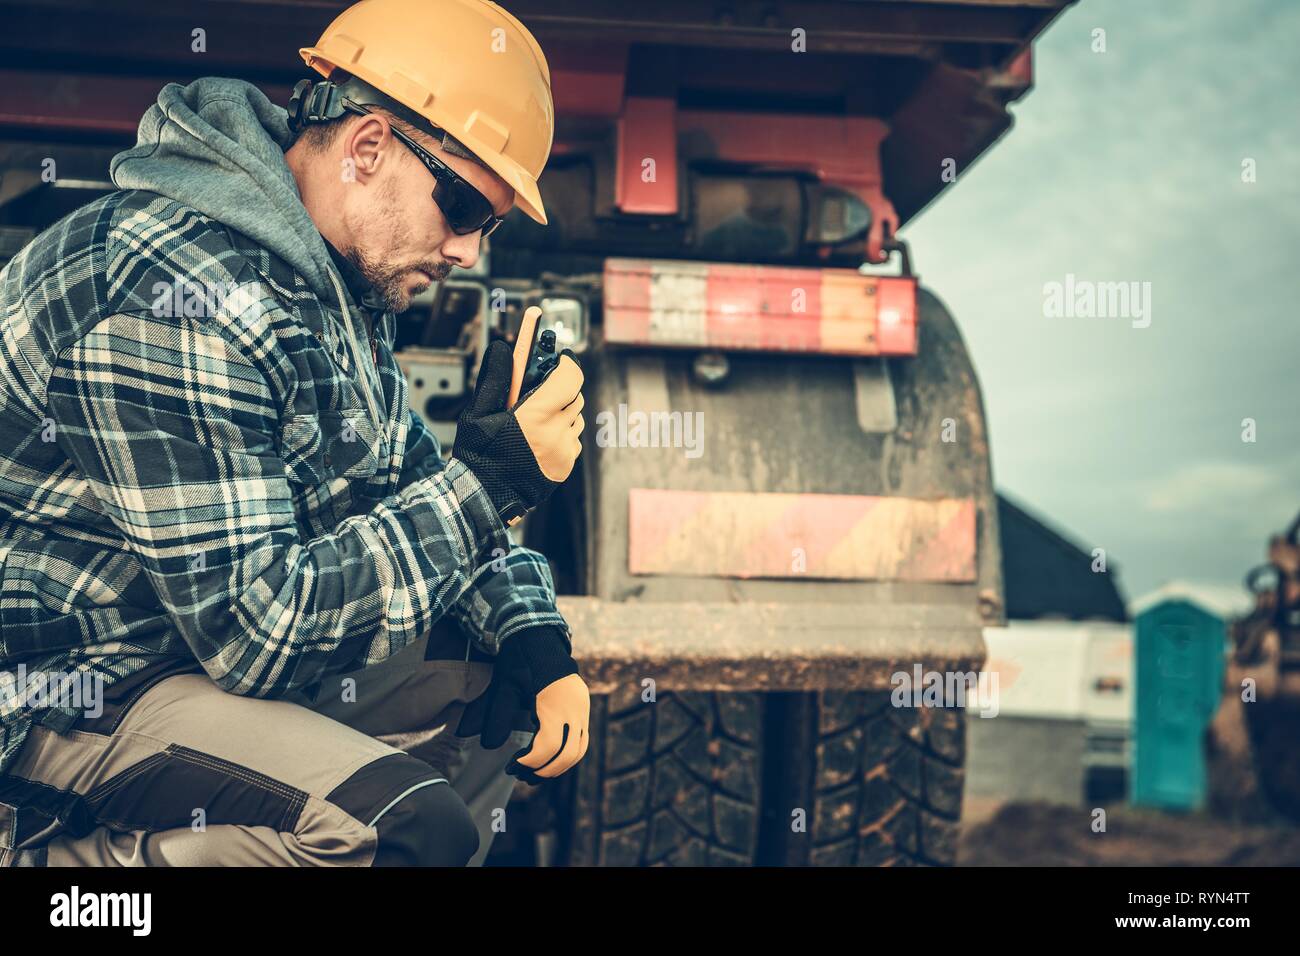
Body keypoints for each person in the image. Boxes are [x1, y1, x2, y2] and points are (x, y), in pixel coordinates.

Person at [0, 0, 588, 866]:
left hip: (178, 651)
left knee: (496, 676)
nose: (467, 249)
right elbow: (258, 635)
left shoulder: (327, 284)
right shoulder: (178, 298)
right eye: (461, 204)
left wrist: (532, 633)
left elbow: (402, 483)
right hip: (74, 692)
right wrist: (488, 487)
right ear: (369, 147)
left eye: (487, 223)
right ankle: (76, 880)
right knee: (405, 829)